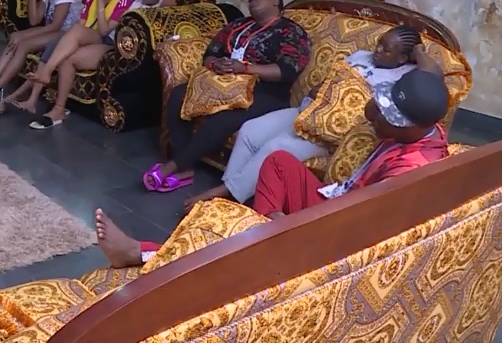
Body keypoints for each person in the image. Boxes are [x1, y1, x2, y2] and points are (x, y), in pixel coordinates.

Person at [93, 69, 452, 268]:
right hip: (340, 198)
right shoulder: (423, 127)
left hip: (341, 224)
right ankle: (267, 233)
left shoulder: (410, 171)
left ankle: (144, 252)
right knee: (278, 161)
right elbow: (372, 111)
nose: (376, 118)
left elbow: (361, 232)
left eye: (388, 116)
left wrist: (301, 225)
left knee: (227, 241)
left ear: (408, 125)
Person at [184, 26, 443, 210]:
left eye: (387, 50)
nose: (378, 50)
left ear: (403, 57)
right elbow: (331, 79)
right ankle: (232, 197)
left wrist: (419, 51)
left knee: (276, 147)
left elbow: (434, 75)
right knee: (250, 130)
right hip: (307, 110)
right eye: (379, 43)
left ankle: (224, 195)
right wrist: (319, 89)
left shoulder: (405, 79)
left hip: (328, 131)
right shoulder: (360, 57)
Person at [142, 0, 311, 192]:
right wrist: (216, 64)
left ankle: (173, 166)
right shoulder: (239, 25)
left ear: (276, 2)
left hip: (265, 91)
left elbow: (287, 71)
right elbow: (211, 53)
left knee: (221, 117)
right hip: (223, 83)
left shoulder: (290, 31)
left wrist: (245, 68)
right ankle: (185, 168)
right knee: (179, 95)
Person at [26, 0, 134, 129]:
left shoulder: (124, 1)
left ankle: (46, 72)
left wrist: (101, 3)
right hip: (89, 35)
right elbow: (83, 23)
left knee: (74, 37)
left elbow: (104, 31)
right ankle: (59, 109)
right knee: (67, 54)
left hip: (109, 43)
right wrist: (75, 42)